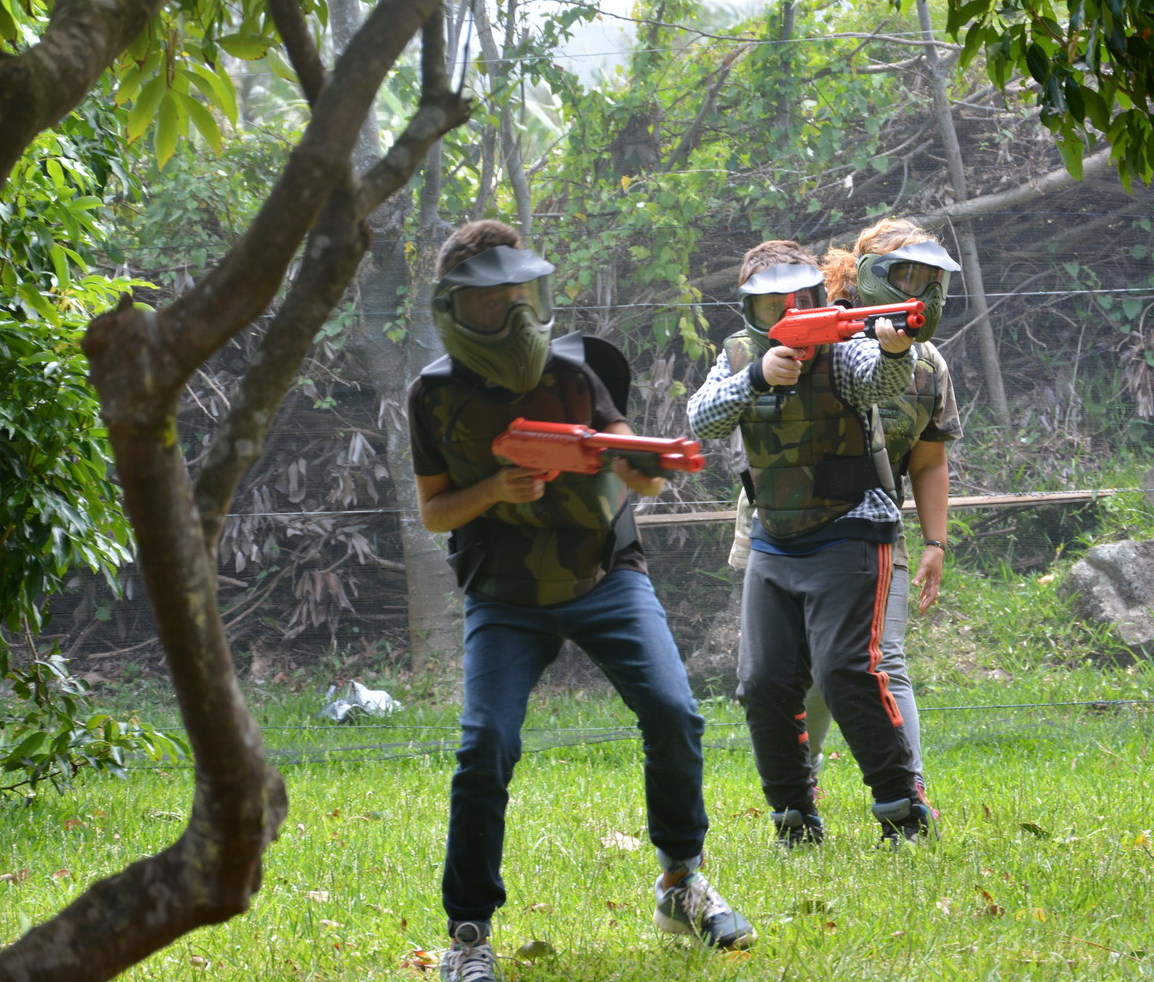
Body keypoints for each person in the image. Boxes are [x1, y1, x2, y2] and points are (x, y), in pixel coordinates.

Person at [409, 220, 753, 982]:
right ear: (457, 307)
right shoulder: (432, 394)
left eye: (520, 296)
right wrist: (496, 487)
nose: (514, 315)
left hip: (606, 576)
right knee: (483, 748)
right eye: (493, 302)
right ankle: (468, 935)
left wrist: (638, 465)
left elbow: (640, 465)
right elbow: (434, 511)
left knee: (674, 711)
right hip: (503, 595)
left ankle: (680, 882)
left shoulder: (574, 373)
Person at [687, 239, 932, 847]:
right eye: (773, 303)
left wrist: (896, 346)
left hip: (851, 525)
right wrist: (755, 375)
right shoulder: (739, 354)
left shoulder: (842, 347)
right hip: (776, 535)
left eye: (798, 298)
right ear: (751, 307)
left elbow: (879, 380)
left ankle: (903, 807)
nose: (788, 310)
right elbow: (701, 419)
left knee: (846, 669)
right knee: (764, 681)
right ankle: (793, 816)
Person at [803, 219, 962, 792]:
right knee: (810, 669)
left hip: (875, 522)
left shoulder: (928, 366)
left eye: (929, 277)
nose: (919, 287)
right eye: (905, 273)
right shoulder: (813, 333)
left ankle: (908, 789)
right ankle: (801, 779)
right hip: (790, 523)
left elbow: (928, 460)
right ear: (868, 271)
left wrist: (935, 544)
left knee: (883, 659)